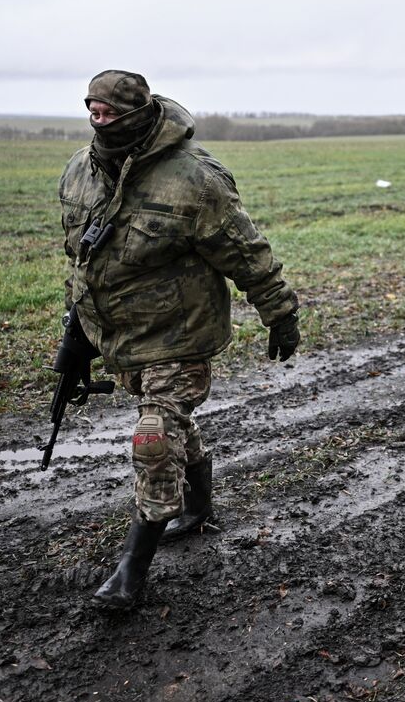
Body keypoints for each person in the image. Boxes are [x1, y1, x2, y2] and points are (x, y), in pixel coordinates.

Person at [59, 70, 301, 609]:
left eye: (111, 115)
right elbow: (82, 260)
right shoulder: (80, 172)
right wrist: (77, 333)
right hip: (125, 334)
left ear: (140, 114)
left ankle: (130, 570)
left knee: (153, 439)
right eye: (92, 112)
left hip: (183, 332)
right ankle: (198, 508)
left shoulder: (195, 178)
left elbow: (246, 252)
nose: (100, 122)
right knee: (172, 423)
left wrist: (280, 312)